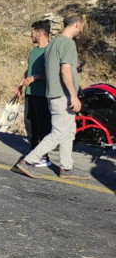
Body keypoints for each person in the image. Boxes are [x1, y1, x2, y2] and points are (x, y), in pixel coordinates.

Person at [13, 12, 90, 180]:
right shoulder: (68, 43)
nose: (82, 29)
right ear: (77, 25)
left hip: (53, 95)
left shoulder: (53, 43)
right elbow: (65, 70)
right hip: (62, 95)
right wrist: (73, 95)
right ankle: (28, 161)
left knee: (69, 132)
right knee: (58, 133)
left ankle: (67, 167)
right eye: (82, 26)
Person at [16, 20, 52, 167]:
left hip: (43, 94)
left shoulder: (50, 50)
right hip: (30, 93)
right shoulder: (33, 51)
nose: (31, 35)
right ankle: (33, 152)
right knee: (30, 124)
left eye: (32, 32)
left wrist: (35, 78)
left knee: (43, 126)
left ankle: (44, 157)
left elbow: (51, 73)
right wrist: (20, 83)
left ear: (40, 32)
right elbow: (29, 69)